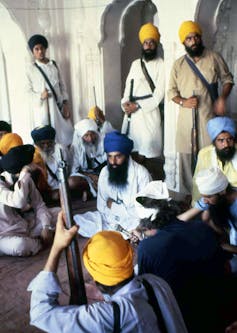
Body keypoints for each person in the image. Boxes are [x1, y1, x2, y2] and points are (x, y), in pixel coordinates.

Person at [27, 210, 187, 333]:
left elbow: (40, 313)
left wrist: (56, 247)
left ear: (97, 281)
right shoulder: (155, 282)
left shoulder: (107, 315)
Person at [131, 180, 235, 333]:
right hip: (219, 309)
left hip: (184, 319)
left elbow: (147, 289)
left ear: (146, 225)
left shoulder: (147, 248)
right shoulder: (202, 228)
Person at [168, 20, 234, 195]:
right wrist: (183, 102)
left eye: (196, 36)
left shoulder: (214, 57)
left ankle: (212, 194)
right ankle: (190, 198)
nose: (194, 40)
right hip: (185, 121)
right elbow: (171, 92)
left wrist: (222, 98)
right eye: (189, 38)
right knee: (186, 158)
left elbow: (228, 80)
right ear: (184, 42)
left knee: (210, 155)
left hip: (208, 117)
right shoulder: (178, 64)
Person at [73, 130, 151, 237]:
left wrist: (113, 206)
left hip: (133, 223)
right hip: (108, 220)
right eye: (109, 156)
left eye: (118, 156)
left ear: (127, 155)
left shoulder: (141, 174)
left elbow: (145, 211)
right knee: (76, 222)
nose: (113, 161)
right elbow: (101, 206)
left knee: (147, 229)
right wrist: (119, 211)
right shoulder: (105, 172)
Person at [121, 22, 165, 180]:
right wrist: (125, 104)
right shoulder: (135, 64)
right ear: (142, 44)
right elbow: (128, 88)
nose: (148, 45)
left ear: (156, 44)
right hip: (132, 117)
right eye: (146, 42)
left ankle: (152, 186)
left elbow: (159, 95)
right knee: (133, 150)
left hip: (149, 114)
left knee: (149, 152)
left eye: (151, 42)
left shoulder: (161, 65)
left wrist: (138, 105)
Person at [0, 144, 56, 256]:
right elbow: (18, 202)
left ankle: (41, 238)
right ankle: (40, 243)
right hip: (4, 236)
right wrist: (24, 174)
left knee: (60, 213)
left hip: (25, 226)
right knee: (20, 245)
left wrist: (46, 226)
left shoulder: (25, 179)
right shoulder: (22, 178)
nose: (34, 167)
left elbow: (39, 205)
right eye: (30, 166)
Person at [26, 34, 73, 146]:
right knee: (45, 137)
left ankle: (64, 157)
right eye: (36, 49)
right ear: (33, 51)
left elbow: (62, 85)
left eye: (42, 48)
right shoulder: (30, 69)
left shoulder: (54, 65)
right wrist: (40, 96)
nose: (40, 51)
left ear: (45, 48)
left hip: (58, 106)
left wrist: (65, 103)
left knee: (64, 135)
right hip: (43, 109)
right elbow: (27, 91)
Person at [31, 125, 88, 203]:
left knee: (73, 182)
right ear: (36, 144)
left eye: (49, 143)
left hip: (63, 183)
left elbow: (68, 169)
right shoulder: (34, 154)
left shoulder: (60, 149)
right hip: (47, 188)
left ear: (53, 141)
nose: (46, 146)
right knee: (55, 196)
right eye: (42, 143)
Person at [192, 116, 237, 203]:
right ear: (214, 142)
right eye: (221, 140)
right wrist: (196, 204)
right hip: (213, 200)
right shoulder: (205, 154)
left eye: (229, 139)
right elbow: (197, 182)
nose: (226, 144)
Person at [70, 118, 107, 198]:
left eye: (92, 134)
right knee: (72, 182)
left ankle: (90, 193)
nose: (90, 138)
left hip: (104, 173)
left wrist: (102, 175)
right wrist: (90, 176)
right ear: (81, 137)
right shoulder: (76, 147)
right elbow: (74, 170)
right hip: (86, 176)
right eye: (86, 135)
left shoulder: (104, 141)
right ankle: (91, 190)